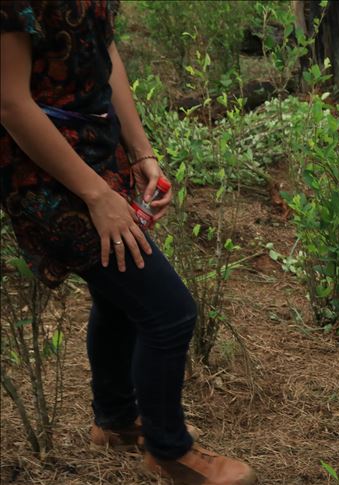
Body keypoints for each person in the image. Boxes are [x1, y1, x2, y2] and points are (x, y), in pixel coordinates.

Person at [0, 2, 256, 484]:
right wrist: (96, 195)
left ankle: (116, 420)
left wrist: (141, 151)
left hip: (97, 147)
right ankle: (169, 451)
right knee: (169, 310)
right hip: (44, 170)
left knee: (119, 293)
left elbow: (106, 48)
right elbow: (10, 103)